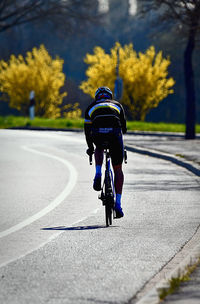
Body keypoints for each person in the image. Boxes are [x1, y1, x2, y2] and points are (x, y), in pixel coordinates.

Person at [84, 86, 127, 218]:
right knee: (118, 170)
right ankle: (118, 205)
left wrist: (90, 148)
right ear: (110, 96)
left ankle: (98, 173)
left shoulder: (91, 107)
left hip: (98, 134)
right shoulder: (117, 105)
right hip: (115, 135)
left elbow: (87, 131)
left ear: (97, 97)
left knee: (99, 146)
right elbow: (124, 128)